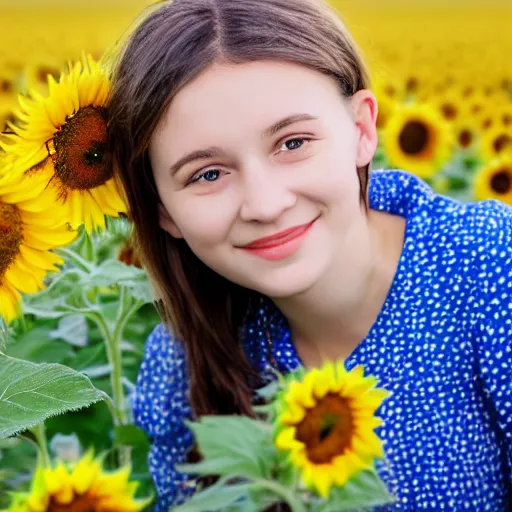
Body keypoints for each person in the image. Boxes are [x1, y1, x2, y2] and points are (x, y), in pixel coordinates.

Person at [107, 0, 512, 510]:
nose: (265, 204)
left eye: (292, 142)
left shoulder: (492, 270)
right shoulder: (183, 362)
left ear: (362, 130)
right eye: (207, 174)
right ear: (161, 209)